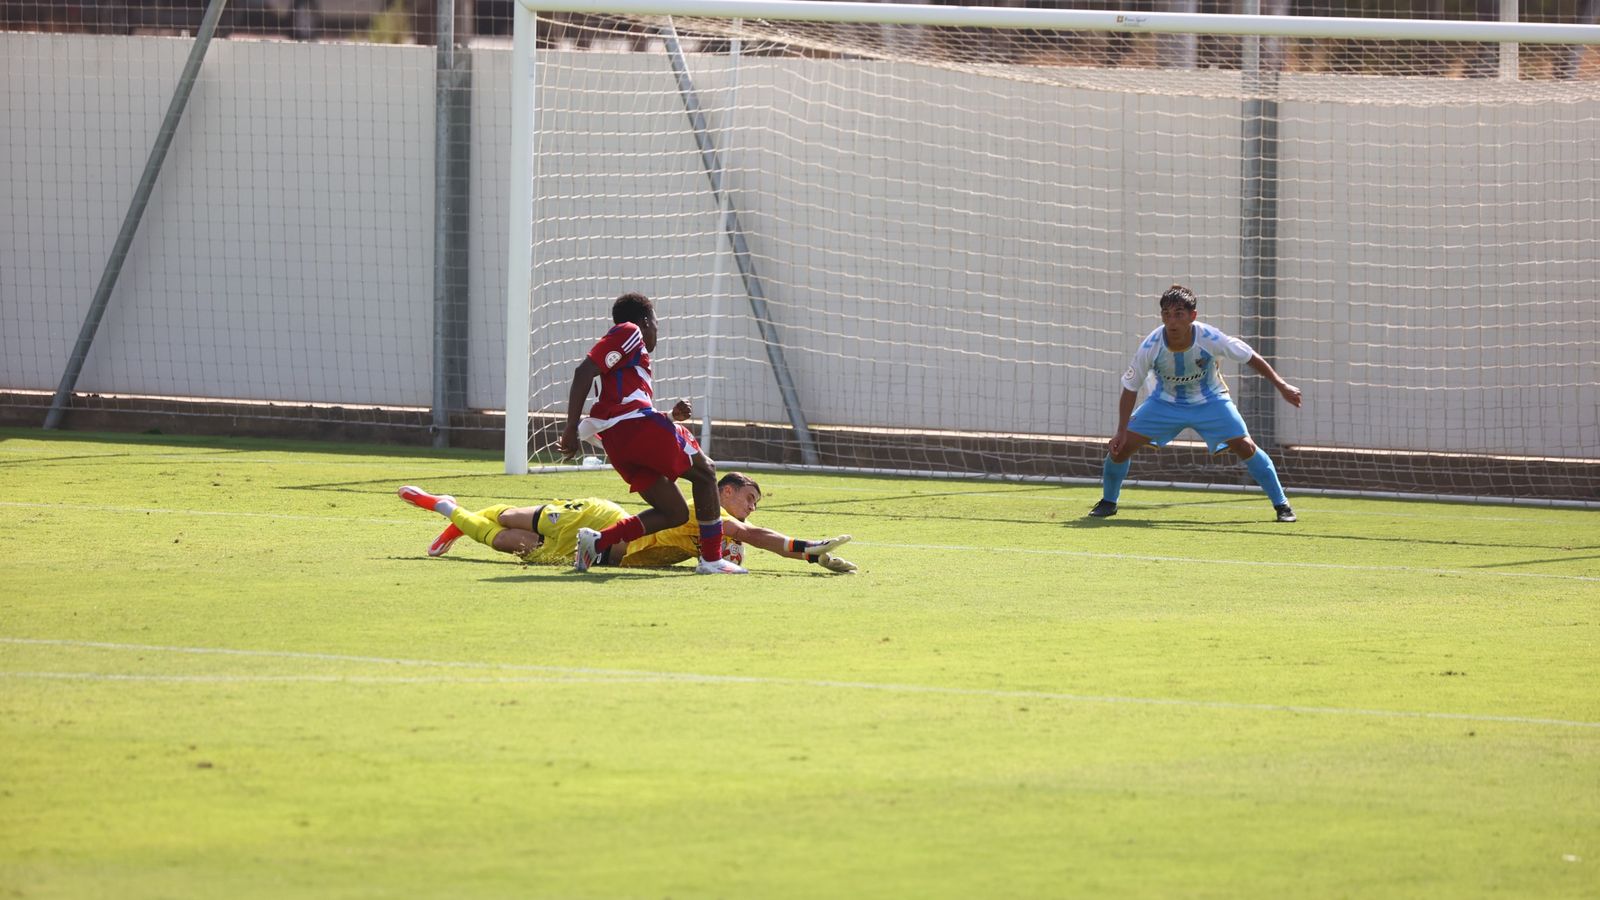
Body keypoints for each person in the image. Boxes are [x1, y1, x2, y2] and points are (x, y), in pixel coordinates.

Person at [555, 292, 744, 575]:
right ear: (645, 321)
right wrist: (570, 428)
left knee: (675, 513)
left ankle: (597, 541)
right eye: (656, 322)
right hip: (634, 429)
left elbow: (618, 402)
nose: (657, 330)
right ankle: (712, 559)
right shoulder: (630, 332)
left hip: (620, 442)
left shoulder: (627, 358)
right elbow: (584, 371)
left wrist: (668, 417)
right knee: (705, 471)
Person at [1089, 284, 1303, 522]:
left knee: (1246, 446)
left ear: (1193, 316)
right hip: (1164, 403)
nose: (1172, 322)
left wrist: (1282, 385)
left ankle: (1282, 505)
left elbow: (1249, 356)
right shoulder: (1150, 346)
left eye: (1179, 314)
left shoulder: (1209, 338)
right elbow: (1130, 388)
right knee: (1121, 447)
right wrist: (1120, 431)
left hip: (1211, 400)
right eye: (1166, 315)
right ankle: (1108, 502)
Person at [396, 474, 857, 573]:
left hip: (599, 552)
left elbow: (753, 536)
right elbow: (760, 537)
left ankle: (445, 509)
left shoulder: (716, 530)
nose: (753, 508)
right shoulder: (713, 515)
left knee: (506, 542)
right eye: (750, 498)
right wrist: (806, 548)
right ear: (726, 492)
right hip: (600, 520)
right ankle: (456, 514)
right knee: (515, 517)